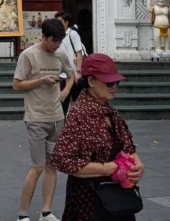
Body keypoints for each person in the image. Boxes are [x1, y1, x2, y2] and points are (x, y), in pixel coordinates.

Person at [52, 54, 144, 221]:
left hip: (117, 198)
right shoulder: (79, 114)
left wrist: (137, 166)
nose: (114, 87)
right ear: (92, 81)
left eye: (116, 82)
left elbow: (128, 148)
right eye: (108, 82)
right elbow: (62, 160)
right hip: (89, 200)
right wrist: (107, 168)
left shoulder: (111, 112)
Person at [13, 18, 75, 221]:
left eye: (59, 41)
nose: (56, 45)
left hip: (57, 117)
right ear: (43, 37)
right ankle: (23, 215)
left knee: (52, 166)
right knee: (37, 167)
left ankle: (46, 212)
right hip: (36, 118)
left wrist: (65, 91)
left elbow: (72, 74)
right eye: (52, 41)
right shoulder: (28, 55)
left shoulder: (60, 55)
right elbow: (17, 84)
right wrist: (41, 80)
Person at [55, 11, 85, 115]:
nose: (58, 24)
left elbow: (79, 53)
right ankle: (63, 128)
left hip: (73, 74)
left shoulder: (72, 34)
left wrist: (78, 71)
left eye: (60, 21)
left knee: (76, 103)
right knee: (62, 103)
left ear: (66, 22)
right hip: (60, 75)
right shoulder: (56, 35)